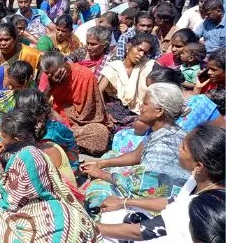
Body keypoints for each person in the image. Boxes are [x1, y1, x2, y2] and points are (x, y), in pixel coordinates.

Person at [0, 108, 98, 243]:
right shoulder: (43, 153)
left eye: (4, 137)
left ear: (17, 139)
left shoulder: (18, 161)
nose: (1, 140)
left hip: (44, 225)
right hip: (71, 219)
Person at [96, 123, 225, 242]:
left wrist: (94, 227)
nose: (179, 147)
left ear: (198, 166)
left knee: (106, 230)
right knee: (118, 212)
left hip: (156, 232)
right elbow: (172, 201)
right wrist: (123, 202)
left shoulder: (196, 206)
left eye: (184, 148)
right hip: (163, 228)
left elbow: (143, 231)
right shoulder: (201, 180)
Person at [82, 83, 192, 209]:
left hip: (160, 202)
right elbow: (136, 154)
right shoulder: (167, 130)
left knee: (97, 193)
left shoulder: (161, 148)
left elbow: (140, 187)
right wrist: (101, 164)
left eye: (145, 104)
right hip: (147, 179)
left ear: (159, 111)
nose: (141, 107)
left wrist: (100, 174)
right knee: (111, 155)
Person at [39, 49, 113, 155]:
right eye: (49, 74)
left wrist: (72, 120)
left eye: (56, 73)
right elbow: (40, 103)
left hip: (85, 123)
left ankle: (65, 141)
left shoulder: (85, 75)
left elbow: (92, 110)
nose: (54, 77)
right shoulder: (50, 77)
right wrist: (51, 87)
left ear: (64, 64)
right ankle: (70, 142)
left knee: (101, 133)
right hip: (59, 118)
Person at [102, 35, 159, 127]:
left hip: (138, 111)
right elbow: (99, 91)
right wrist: (105, 112)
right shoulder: (114, 67)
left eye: (145, 53)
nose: (141, 55)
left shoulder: (148, 66)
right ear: (129, 46)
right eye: (139, 50)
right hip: (116, 109)